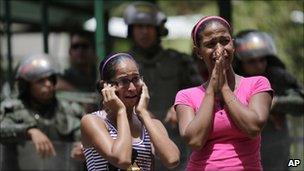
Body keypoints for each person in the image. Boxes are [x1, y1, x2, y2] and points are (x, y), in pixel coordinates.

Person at [174, 16, 273, 170]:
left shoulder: (257, 84)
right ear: (198, 52)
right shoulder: (186, 96)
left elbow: (253, 128)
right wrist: (211, 92)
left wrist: (224, 89)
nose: (219, 49)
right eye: (210, 44)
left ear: (233, 44)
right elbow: (195, 141)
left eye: (225, 41)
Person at [123, 2, 202, 170]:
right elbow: (104, 98)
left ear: (158, 30)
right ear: (131, 30)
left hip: (176, 141)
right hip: (134, 141)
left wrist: (179, 106)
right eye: (139, 27)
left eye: (149, 26)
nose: (144, 31)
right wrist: (134, 110)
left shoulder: (179, 60)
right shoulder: (120, 63)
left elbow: (199, 92)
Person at [81, 53, 180, 171]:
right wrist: (121, 112)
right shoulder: (93, 121)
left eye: (136, 79)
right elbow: (122, 159)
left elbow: (172, 159)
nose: (132, 88)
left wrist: (143, 112)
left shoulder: (152, 124)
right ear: (106, 86)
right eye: (124, 81)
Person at [0, 53, 85, 171]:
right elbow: (2, 129)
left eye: (51, 79)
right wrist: (29, 130)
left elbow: (81, 131)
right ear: (27, 85)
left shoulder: (67, 109)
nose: (48, 84)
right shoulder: (13, 109)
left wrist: (81, 145)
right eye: (41, 81)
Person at [234, 30, 304, 171]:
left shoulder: (278, 76)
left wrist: (274, 103)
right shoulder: (232, 81)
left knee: (292, 164)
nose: (259, 65)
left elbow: (300, 102)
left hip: (278, 148)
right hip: (243, 151)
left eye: (262, 60)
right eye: (252, 61)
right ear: (241, 62)